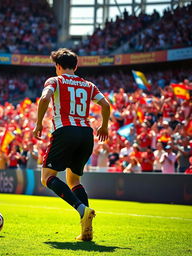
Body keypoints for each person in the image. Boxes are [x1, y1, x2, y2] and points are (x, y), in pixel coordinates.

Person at [33, 48, 110, 241]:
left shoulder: (55, 80)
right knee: (73, 180)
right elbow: (106, 105)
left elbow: (44, 98)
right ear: (75, 66)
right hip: (86, 134)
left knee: (47, 177)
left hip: (65, 131)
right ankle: (86, 230)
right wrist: (104, 126)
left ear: (58, 66)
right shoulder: (88, 85)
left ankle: (82, 209)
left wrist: (38, 123)